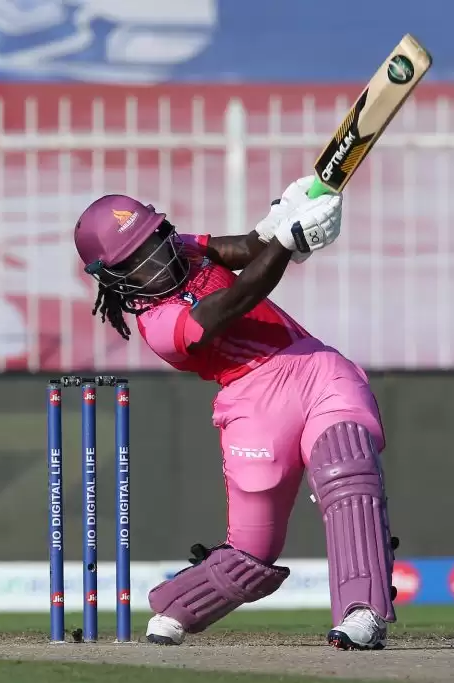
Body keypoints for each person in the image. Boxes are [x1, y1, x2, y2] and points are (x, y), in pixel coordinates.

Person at [73, 176, 398, 650]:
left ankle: (363, 609)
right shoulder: (159, 326)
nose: (157, 260)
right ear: (115, 278)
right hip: (252, 402)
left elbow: (246, 250)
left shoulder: (183, 249)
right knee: (252, 553)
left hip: (314, 368)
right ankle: (178, 604)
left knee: (348, 470)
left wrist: (281, 221)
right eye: (137, 260)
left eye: (155, 243)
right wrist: (287, 240)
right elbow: (238, 297)